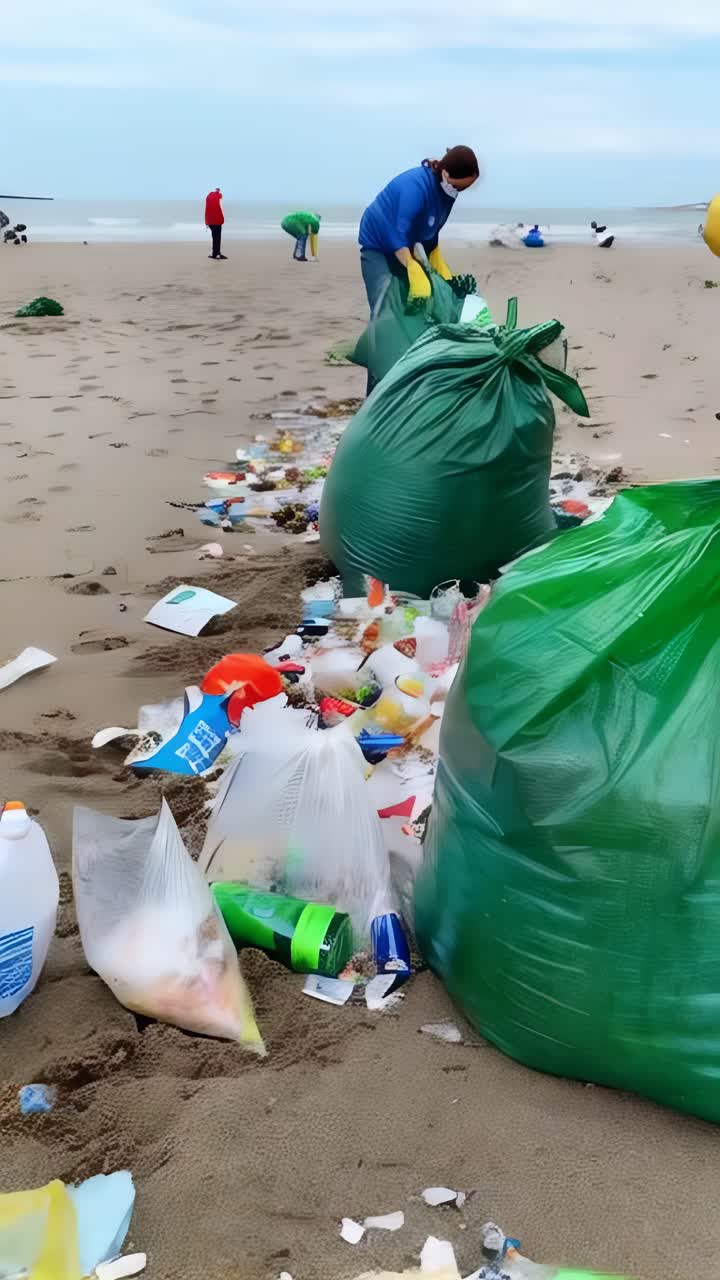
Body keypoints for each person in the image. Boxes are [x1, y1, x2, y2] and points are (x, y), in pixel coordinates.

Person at [358, 146, 480, 321]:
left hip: (409, 243)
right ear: (445, 174)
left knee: (421, 301)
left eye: (462, 189)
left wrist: (436, 260)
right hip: (379, 243)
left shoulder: (447, 193)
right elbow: (397, 236)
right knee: (385, 299)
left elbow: (431, 230)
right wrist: (412, 267)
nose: (457, 191)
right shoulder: (414, 187)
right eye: (457, 186)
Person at [205, 187, 226, 260]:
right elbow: (221, 209)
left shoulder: (208, 198)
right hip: (217, 221)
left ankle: (214, 253)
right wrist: (222, 219)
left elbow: (207, 210)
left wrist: (207, 222)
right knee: (218, 237)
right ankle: (217, 254)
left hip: (210, 221)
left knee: (214, 237)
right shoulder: (218, 198)